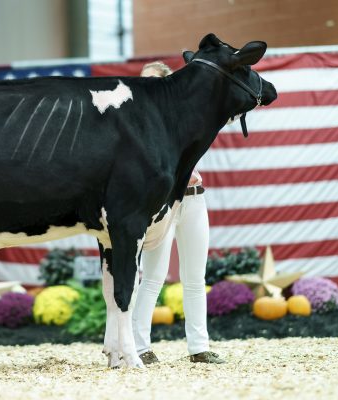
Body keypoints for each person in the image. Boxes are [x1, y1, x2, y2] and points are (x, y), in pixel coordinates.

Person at [132, 61, 224, 364]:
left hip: (195, 200)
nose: (146, 85)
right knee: (153, 277)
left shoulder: (184, 115)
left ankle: (199, 347)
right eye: (143, 80)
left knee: (195, 277)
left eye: (153, 80)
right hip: (164, 202)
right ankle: (139, 347)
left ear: (166, 83)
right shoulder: (137, 120)